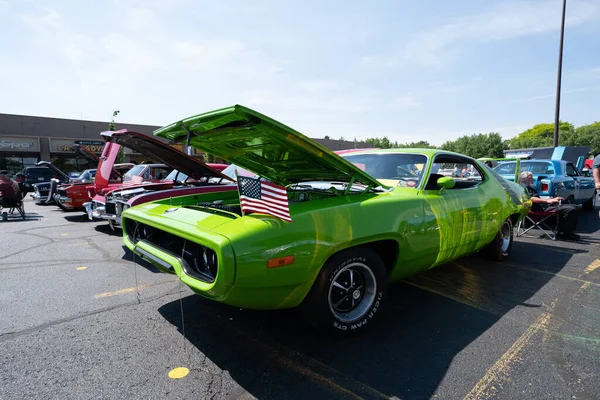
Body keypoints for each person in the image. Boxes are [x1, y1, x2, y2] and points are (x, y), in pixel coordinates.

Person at [520, 171, 579, 240]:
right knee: (570, 209)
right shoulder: (523, 189)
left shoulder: (529, 188)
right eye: (530, 178)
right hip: (539, 209)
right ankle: (566, 234)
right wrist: (547, 201)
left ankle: (565, 231)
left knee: (574, 206)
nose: (533, 179)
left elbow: (535, 197)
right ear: (523, 180)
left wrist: (551, 199)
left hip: (543, 206)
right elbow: (530, 198)